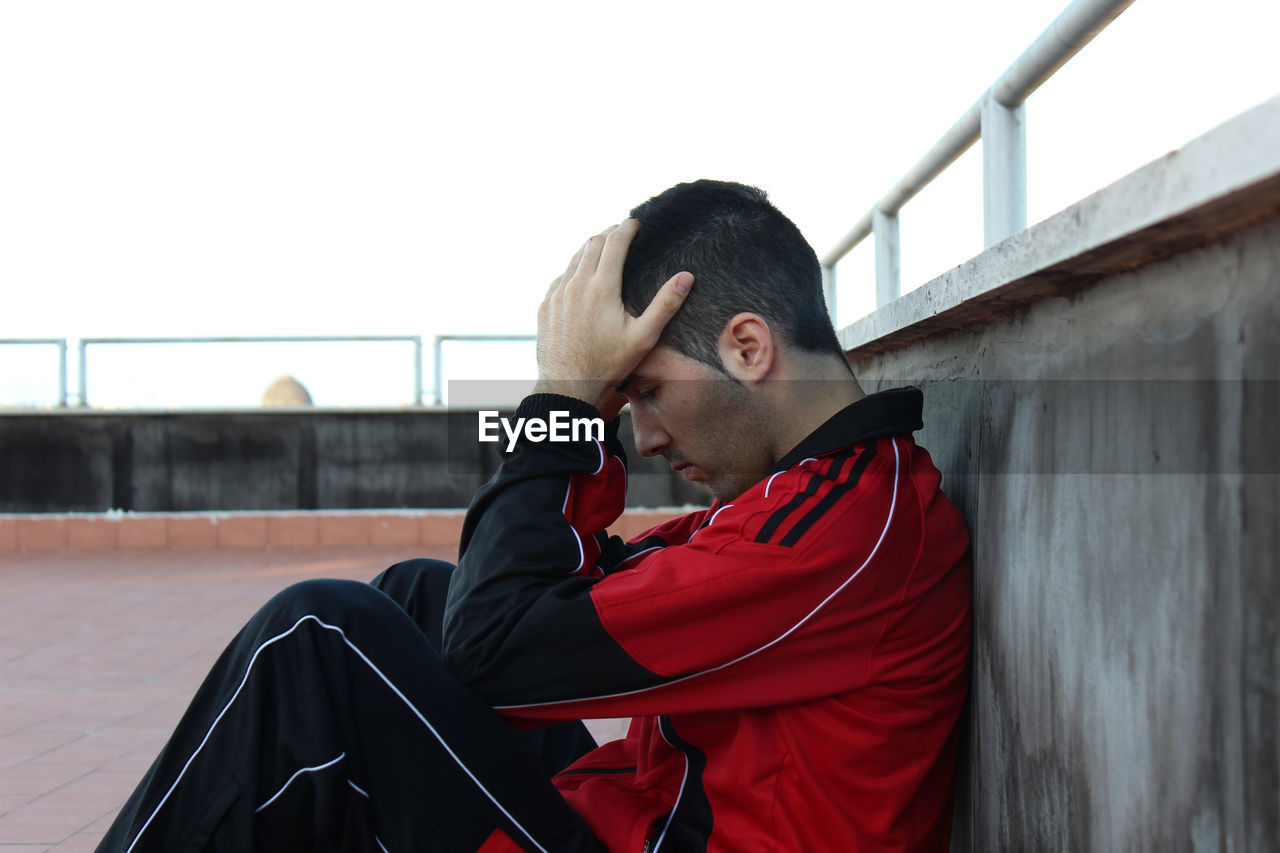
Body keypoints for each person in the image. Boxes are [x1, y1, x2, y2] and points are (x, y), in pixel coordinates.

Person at [98, 180, 971, 852]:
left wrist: (564, 400)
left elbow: (502, 647)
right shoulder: (817, 499)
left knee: (318, 638)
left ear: (747, 348)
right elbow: (535, 609)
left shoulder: (841, 530)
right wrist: (569, 420)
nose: (650, 435)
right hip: (634, 817)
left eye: (650, 392)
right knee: (416, 600)